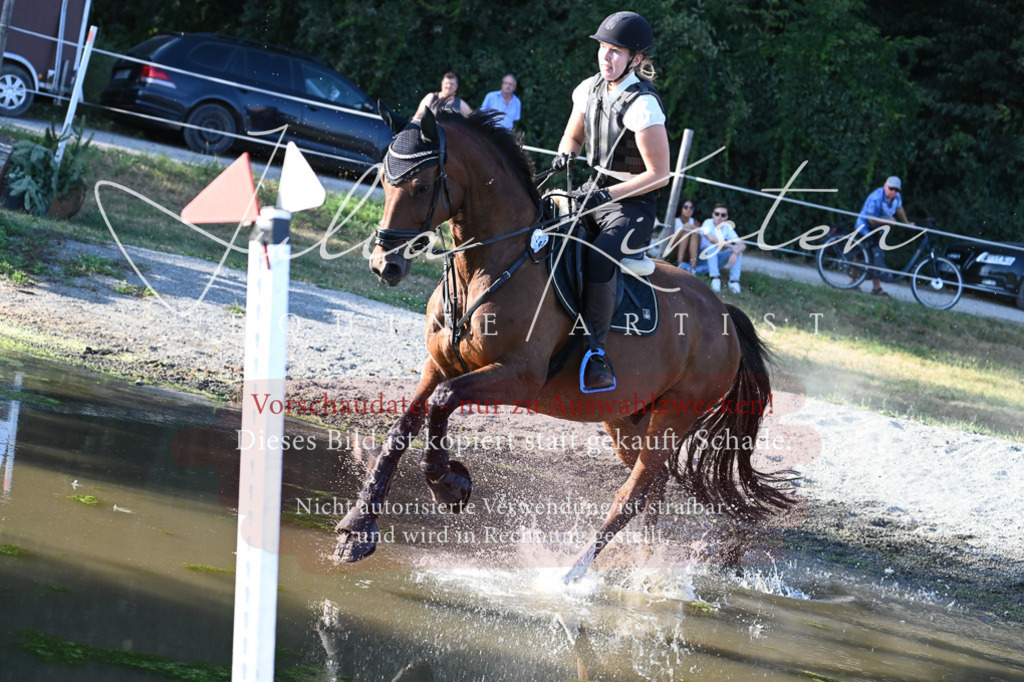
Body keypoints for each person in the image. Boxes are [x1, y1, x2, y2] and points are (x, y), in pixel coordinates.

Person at [550, 11, 671, 392]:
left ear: (635, 59)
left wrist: (607, 193)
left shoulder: (643, 106)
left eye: (616, 51)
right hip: (592, 190)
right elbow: (573, 136)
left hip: (633, 205)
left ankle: (596, 352)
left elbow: (659, 175)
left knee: (600, 256)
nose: (606, 57)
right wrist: (565, 154)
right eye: (603, 48)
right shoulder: (589, 88)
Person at [854, 175, 914, 296]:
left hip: (878, 229)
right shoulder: (876, 197)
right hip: (864, 228)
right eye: (891, 188)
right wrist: (888, 220)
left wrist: (906, 223)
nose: (894, 192)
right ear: (885, 186)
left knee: (877, 256)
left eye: (896, 190)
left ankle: (876, 287)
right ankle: (853, 281)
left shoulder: (896, 197)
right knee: (860, 256)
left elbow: (899, 209)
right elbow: (871, 219)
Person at [698, 203, 745, 294]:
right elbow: (712, 239)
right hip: (701, 259)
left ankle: (734, 281)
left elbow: (742, 245)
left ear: (726, 217)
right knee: (711, 246)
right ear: (713, 214)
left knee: (737, 249)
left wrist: (735, 252)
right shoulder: (707, 223)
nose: (719, 217)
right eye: (717, 214)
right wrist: (731, 246)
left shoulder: (727, 227)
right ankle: (715, 279)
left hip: (714, 260)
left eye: (723, 215)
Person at [668, 198, 700, 272]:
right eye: (685, 207)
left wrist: (692, 227)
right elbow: (670, 241)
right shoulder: (674, 221)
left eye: (691, 208)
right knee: (686, 232)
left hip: (690, 252)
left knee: (693, 233)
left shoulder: (695, 222)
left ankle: (693, 267)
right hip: (674, 249)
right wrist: (682, 228)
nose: (688, 210)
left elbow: (701, 237)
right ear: (681, 208)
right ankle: (680, 263)